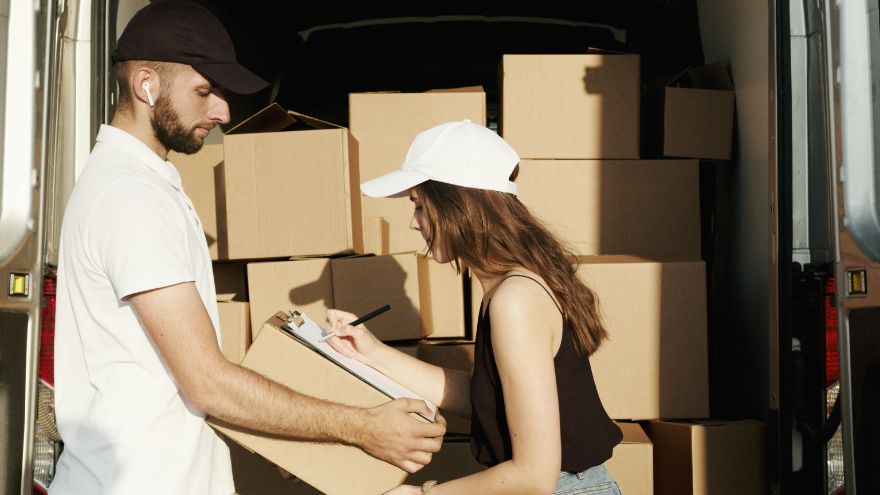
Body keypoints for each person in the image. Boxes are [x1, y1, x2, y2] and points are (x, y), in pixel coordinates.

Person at [51, 2, 444, 494]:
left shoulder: (146, 186)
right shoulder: (130, 197)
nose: (222, 111)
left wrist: (294, 432)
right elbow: (207, 383)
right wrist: (363, 427)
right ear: (145, 84)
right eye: (205, 90)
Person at [326, 120, 624, 495]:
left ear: (458, 205)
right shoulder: (509, 289)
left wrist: (423, 494)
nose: (413, 224)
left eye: (419, 205)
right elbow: (486, 398)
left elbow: (534, 476)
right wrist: (371, 353)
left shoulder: (515, 300)